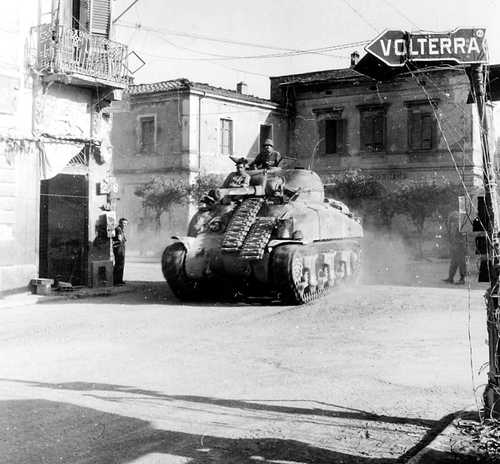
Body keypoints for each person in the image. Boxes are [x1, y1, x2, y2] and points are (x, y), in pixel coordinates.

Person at [443, 212, 467, 285]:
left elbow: (463, 237)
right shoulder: (452, 226)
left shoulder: (461, 225)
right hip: (455, 246)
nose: (452, 222)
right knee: (453, 263)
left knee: (461, 263)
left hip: (460, 247)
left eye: (453, 219)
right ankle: (450, 278)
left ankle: (462, 279)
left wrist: (459, 244)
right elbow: (451, 236)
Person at [113, 218, 128, 286]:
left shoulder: (120, 229)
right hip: (119, 247)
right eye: (124, 223)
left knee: (120, 264)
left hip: (120, 247)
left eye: (126, 223)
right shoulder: (118, 229)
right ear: (120, 223)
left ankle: (119, 280)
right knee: (119, 263)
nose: (125, 225)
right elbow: (119, 238)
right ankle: (117, 281)